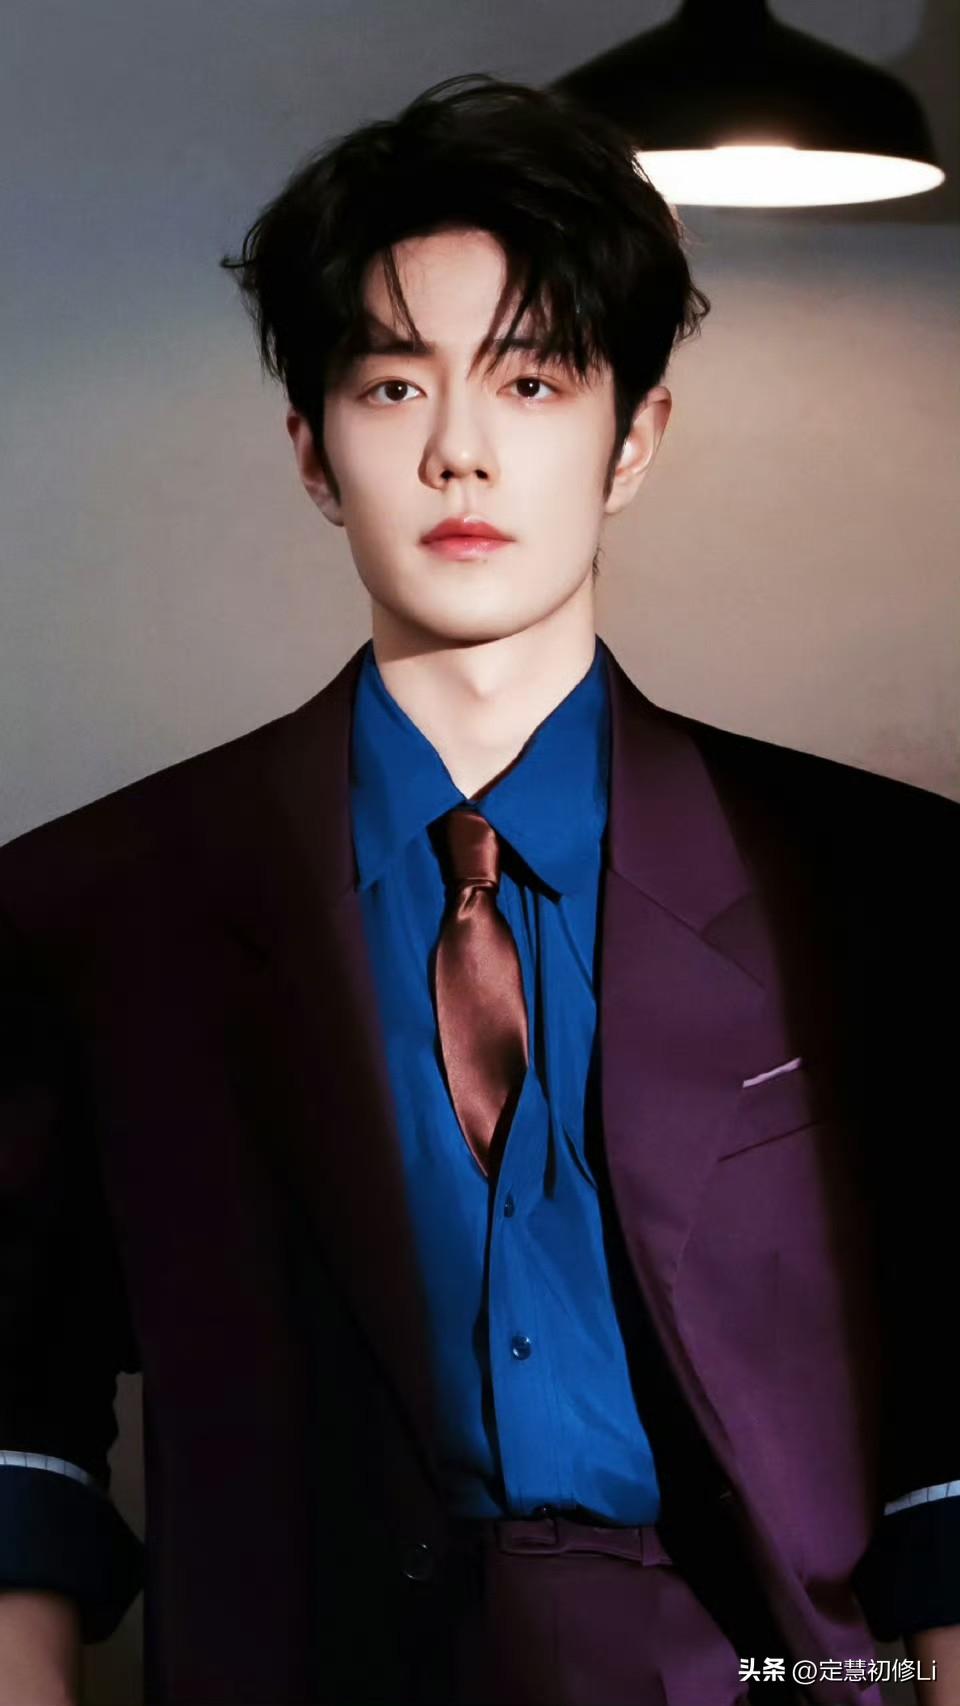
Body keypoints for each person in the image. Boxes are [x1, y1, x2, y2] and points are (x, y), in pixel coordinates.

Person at [0, 71, 957, 1706]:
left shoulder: (884, 885)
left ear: (633, 439)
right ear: (312, 453)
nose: (459, 451)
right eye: (391, 387)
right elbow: (21, 1432)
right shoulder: (96, 906)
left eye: (529, 379)